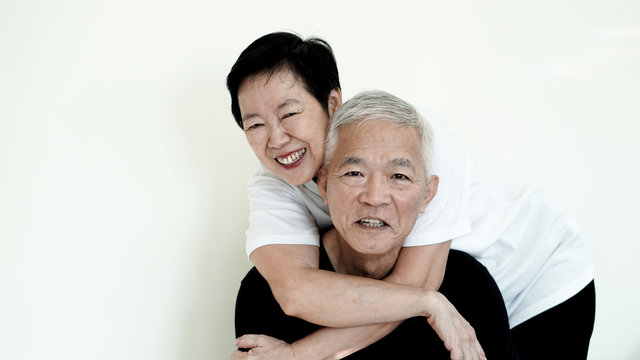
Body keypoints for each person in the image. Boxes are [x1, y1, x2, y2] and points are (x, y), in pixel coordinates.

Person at [226, 32, 596, 359]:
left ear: (333, 104)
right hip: (447, 296)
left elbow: (414, 287)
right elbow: (297, 292)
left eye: (289, 113)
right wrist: (428, 303)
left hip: (537, 277)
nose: (276, 138)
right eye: (255, 124)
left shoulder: (421, 143)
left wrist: (298, 356)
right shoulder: (274, 182)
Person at [233, 90, 518, 359]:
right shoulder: (263, 294)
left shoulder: (470, 289)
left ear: (427, 195)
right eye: (355, 172)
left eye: (399, 177)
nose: (375, 197)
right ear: (323, 184)